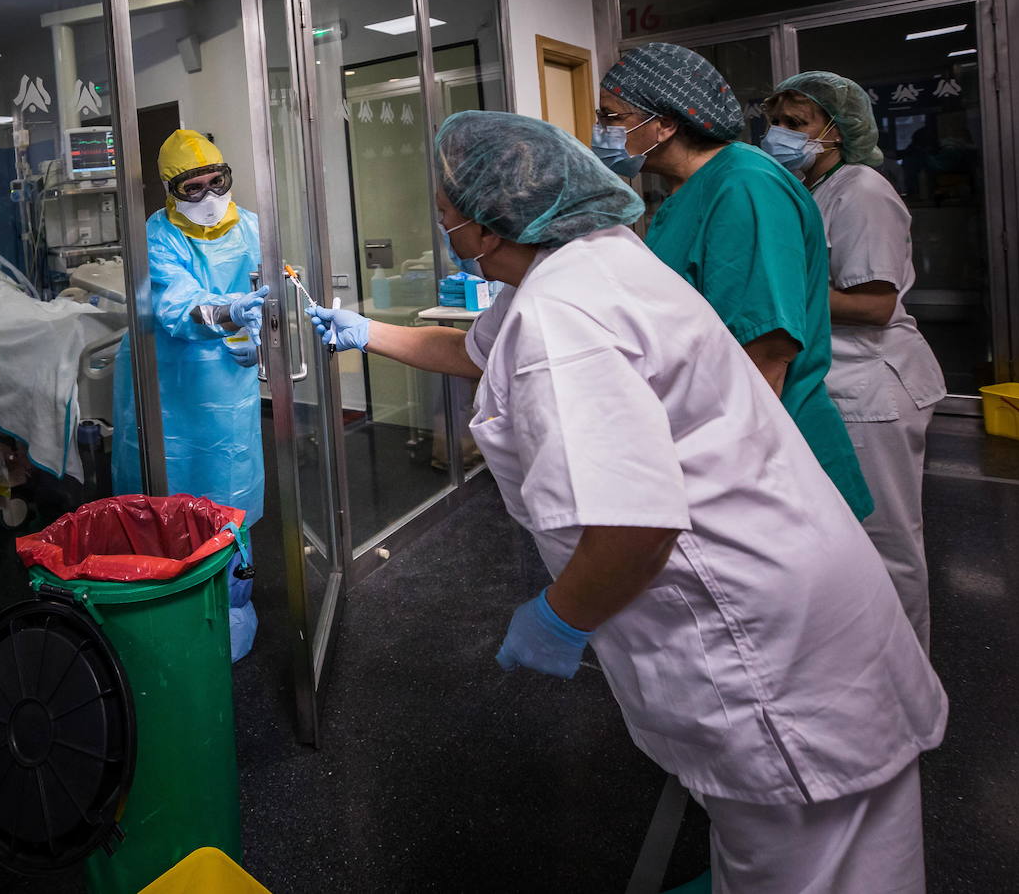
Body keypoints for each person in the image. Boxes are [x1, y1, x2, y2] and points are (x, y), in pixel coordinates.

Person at [311, 111, 946, 892]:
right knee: (823, 839)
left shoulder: (560, 319)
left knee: (817, 857)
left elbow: (636, 528)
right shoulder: (588, 258)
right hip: (795, 574)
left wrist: (559, 617)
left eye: (447, 217)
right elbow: (475, 352)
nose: (445, 230)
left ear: (485, 228)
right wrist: (362, 330)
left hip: (761, 631)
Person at [592, 42, 874, 521]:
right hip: (715, 437)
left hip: (763, 456)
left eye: (612, 118)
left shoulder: (745, 185)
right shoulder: (689, 190)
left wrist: (718, 477)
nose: (601, 133)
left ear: (663, 124)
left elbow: (765, 350)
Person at [764, 72, 947, 651]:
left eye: (798, 125)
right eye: (776, 122)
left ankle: (908, 684)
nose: (779, 135)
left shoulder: (862, 189)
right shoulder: (812, 188)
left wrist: (772, 295)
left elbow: (874, 303)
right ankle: (863, 670)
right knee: (843, 538)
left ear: (837, 131)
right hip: (834, 383)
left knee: (886, 543)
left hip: (871, 387)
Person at [111, 129, 267, 660]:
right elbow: (176, 302)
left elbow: (264, 292)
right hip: (169, 384)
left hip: (230, 383)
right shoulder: (156, 235)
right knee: (169, 488)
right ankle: (164, 602)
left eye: (214, 182)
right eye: (191, 188)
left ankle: (233, 605)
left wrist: (257, 334)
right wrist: (227, 315)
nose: (207, 197)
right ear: (170, 191)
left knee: (230, 487)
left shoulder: (251, 226)